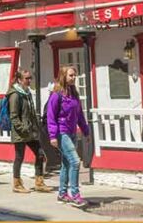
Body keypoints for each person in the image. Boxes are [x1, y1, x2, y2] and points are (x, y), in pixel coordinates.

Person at [46, 65, 91, 208]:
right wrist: (53, 136)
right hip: (62, 133)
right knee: (75, 162)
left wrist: (86, 131)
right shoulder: (56, 95)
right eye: (71, 75)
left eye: (74, 75)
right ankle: (75, 195)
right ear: (63, 76)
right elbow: (51, 116)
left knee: (66, 164)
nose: (74, 78)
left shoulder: (74, 93)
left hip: (72, 132)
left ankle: (62, 194)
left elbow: (79, 114)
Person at [7, 68, 49, 194]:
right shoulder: (15, 95)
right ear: (19, 80)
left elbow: (30, 113)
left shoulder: (27, 93)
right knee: (19, 157)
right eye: (26, 78)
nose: (29, 80)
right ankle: (17, 184)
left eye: (30, 78)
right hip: (20, 132)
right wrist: (23, 128)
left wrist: (36, 126)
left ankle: (39, 182)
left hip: (31, 131)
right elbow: (13, 116)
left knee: (40, 154)